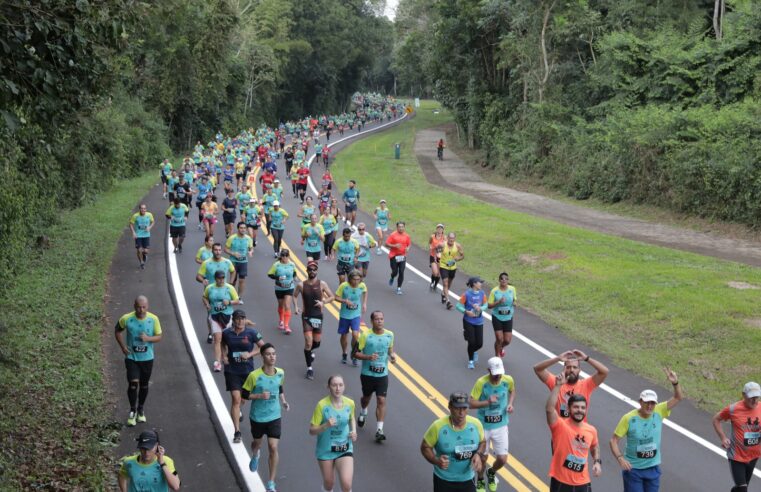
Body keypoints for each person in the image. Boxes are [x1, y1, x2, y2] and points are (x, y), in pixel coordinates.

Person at [610, 368, 683, 492]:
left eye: (652, 403)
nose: (650, 406)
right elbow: (613, 441)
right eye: (646, 402)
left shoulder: (659, 411)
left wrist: (675, 383)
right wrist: (620, 458)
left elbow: (678, 397)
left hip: (652, 469)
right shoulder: (628, 418)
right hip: (633, 470)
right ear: (640, 402)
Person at [242, 343, 290, 492]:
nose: (272, 356)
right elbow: (244, 394)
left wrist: (283, 401)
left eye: (274, 354)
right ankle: (255, 454)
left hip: (274, 416)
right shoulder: (254, 376)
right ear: (262, 356)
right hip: (257, 417)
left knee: (273, 447)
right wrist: (259, 396)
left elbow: (280, 387)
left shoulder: (280, 372)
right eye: (269, 354)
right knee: (256, 443)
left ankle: (271, 482)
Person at [546, 371, 601, 492]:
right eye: (576, 407)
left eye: (582, 408)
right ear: (569, 409)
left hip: (583, 483)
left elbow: (595, 446)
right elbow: (549, 409)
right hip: (561, 482)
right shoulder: (560, 426)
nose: (579, 410)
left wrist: (597, 462)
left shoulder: (591, 430)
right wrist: (558, 386)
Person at [421, 391, 486, 492]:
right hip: (444, 481)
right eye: (457, 408)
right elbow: (425, 447)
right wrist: (436, 461)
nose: (461, 413)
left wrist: (478, 454)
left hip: (468, 480)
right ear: (450, 407)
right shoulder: (438, 427)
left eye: (464, 408)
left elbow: (483, 442)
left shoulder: (476, 424)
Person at [114, 296, 162, 426]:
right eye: (138, 307)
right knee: (133, 384)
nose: (141, 310)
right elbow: (117, 330)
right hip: (132, 358)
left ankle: (141, 408)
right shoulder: (126, 318)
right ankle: (132, 410)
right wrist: (123, 347)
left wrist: (148, 338)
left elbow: (159, 337)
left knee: (144, 385)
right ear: (134, 306)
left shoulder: (153, 319)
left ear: (148, 306)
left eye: (143, 307)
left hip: (147, 358)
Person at [469, 357, 515, 492]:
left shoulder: (508, 380)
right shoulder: (481, 383)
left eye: (499, 373)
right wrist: (486, 402)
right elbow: (471, 403)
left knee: (502, 459)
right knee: (482, 458)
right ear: (489, 370)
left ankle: (492, 472)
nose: (497, 376)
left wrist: (510, 404)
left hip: (501, 425)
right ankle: (481, 480)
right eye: (494, 373)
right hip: (484, 427)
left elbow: (512, 390)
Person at [221, 309, 264, 444]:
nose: (240, 321)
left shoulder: (251, 333)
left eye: (243, 318)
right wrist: (224, 355)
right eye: (238, 319)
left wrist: (250, 355)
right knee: (235, 398)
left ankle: (238, 410)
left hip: (247, 371)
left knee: (243, 399)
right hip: (232, 370)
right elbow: (222, 344)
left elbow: (263, 347)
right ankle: (237, 432)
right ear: (233, 320)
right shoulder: (226, 333)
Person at [353, 311, 396, 442]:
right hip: (367, 374)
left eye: (382, 319)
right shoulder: (365, 335)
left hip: (382, 374)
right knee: (366, 398)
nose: (380, 321)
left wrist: (392, 356)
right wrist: (368, 357)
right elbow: (355, 353)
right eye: (377, 319)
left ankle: (379, 429)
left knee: (381, 400)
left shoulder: (390, 335)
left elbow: (390, 351)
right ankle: (363, 410)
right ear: (372, 321)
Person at [309, 375, 357, 492]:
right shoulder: (322, 405)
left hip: (344, 448)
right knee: (329, 483)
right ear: (328, 387)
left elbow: (351, 417)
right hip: (326, 450)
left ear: (344, 387)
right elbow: (311, 430)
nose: (337, 388)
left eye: (340, 385)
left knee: (346, 484)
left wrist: (354, 431)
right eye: (334, 385)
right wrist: (326, 425)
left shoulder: (350, 403)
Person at [712, 381, 761, 492]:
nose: (754, 400)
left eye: (757, 397)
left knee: (742, 488)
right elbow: (716, 419)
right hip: (737, 456)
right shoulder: (733, 409)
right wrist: (723, 438)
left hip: (754, 456)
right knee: (743, 489)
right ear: (743, 395)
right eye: (751, 397)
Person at [533, 349, 609, 421]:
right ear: (564, 369)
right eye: (568, 367)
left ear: (579, 370)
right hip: (562, 429)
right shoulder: (557, 383)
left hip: (580, 430)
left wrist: (586, 358)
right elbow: (537, 369)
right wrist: (558, 358)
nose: (571, 370)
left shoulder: (586, 384)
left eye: (575, 367)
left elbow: (604, 372)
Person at [294, 261, 335, 380]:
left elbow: (332, 297)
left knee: (316, 343)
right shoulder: (301, 285)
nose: (312, 271)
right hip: (306, 316)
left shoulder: (322, 284)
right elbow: (295, 295)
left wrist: (323, 302)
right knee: (308, 342)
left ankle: (311, 351)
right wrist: (296, 307)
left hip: (318, 316)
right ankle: (309, 368)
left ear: (317, 271)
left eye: (314, 269)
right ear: (307, 271)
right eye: (310, 269)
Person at [203, 270, 243, 372]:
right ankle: (217, 362)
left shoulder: (229, 288)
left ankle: (227, 356)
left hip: (227, 316)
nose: (221, 280)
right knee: (217, 339)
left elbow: (237, 300)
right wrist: (207, 304)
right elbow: (204, 297)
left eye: (222, 278)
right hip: (215, 316)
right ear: (215, 278)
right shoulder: (210, 288)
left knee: (227, 339)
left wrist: (229, 302)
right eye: (219, 278)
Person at [335, 270, 367, 366]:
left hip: (356, 314)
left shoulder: (362, 285)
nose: (356, 281)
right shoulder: (344, 286)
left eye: (358, 279)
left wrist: (364, 303)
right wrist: (345, 301)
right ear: (350, 279)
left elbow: (365, 291)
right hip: (345, 315)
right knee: (344, 335)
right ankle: (344, 353)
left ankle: (354, 353)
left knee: (355, 335)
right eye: (354, 279)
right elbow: (336, 297)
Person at [456, 277, 488, 370]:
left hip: (479, 321)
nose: (481, 284)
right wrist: (466, 312)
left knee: (479, 344)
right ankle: (470, 361)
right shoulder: (466, 294)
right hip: (468, 321)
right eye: (480, 283)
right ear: (474, 284)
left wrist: (480, 308)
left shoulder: (482, 293)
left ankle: (473, 351)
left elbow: (486, 304)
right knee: (472, 342)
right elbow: (458, 306)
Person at [266, 249, 297, 334]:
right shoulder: (276, 265)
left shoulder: (292, 264)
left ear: (289, 256)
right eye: (283, 255)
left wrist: (294, 278)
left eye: (286, 255)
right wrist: (277, 278)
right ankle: (281, 320)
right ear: (281, 256)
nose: (285, 257)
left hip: (289, 287)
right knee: (281, 305)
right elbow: (270, 274)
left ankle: (287, 326)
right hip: (279, 288)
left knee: (287, 305)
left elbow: (294, 273)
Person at [488, 273, 517, 358]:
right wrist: (498, 302)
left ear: (508, 280)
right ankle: (497, 356)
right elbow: (489, 305)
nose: (504, 280)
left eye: (506, 279)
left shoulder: (512, 289)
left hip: (508, 317)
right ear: (499, 280)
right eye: (502, 279)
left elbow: (514, 299)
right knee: (499, 338)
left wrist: (514, 303)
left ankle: (500, 347)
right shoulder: (494, 291)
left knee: (507, 340)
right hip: (497, 317)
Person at [225, 222, 254, 298]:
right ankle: (231, 295)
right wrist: (233, 253)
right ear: (238, 229)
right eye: (241, 228)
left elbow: (251, 248)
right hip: (233, 262)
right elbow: (225, 249)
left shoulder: (248, 239)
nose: (243, 230)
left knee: (242, 280)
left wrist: (250, 252)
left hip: (243, 262)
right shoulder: (232, 238)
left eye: (244, 228)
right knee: (233, 281)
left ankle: (239, 297)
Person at [384, 221, 412, 295]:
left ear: (404, 227)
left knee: (402, 272)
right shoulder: (393, 235)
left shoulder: (407, 236)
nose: (401, 228)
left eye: (402, 227)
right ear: (397, 227)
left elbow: (409, 244)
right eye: (399, 227)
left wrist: (408, 248)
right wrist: (394, 246)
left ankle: (399, 288)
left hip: (402, 256)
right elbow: (386, 244)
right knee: (395, 272)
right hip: (394, 256)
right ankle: (392, 277)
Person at [439, 232, 464, 309]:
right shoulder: (443, 245)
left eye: (453, 238)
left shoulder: (458, 246)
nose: (451, 240)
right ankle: (448, 301)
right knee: (445, 283)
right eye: (450, 238)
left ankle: (443, 293)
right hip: (443, 266)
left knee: (449, 283)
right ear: (447, 238)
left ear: (455, 239)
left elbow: (462, 256)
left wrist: (458, 259)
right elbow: (436, 250)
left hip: (453, 267)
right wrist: (438, 255)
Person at [129, 204, 154, 270]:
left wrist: (149, 227)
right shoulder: (135, 216)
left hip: (146, 235)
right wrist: (133, 232)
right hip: (138, 235)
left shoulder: (149, 215)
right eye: (142, 208)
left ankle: (144, 255)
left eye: (144, 208)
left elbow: (153, 222)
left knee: (146, 251)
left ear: (146, 209)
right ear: (139, 209)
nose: (143, 210)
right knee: (139, 250)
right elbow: (131, 224)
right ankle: (141, 262)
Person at [428, 224, 447, 291]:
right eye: (438, 228)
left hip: (441, 257)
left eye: (441, 229)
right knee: (435, 272)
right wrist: (432, 247)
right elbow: (430, 243)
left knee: (438, 274)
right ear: (436, 229)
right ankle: (432, 282)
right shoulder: (432, 237)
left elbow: (446, 246)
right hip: (433, 256)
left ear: (443, 230)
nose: (440, 230)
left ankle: (435, 285)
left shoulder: (444, 238)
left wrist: (441, 247)